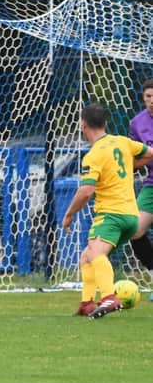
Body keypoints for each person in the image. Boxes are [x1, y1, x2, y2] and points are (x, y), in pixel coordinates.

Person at [62, 103, 153, 319]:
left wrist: (69, 214)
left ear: (83, 125)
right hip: (131, 216)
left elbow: (85, 192)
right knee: (87, 256)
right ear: (105, 123)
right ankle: (86, 303)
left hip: (110, 215)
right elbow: (150, 152)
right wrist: (133, 165)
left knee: (96, 253)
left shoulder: (94, 155)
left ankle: (108, 296)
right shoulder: (123, 142)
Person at [128, 79, 153, 272]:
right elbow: (134, 157)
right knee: (134, 230)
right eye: (148, 96)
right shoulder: (137, 122)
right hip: (151, 184)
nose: (152, 100)